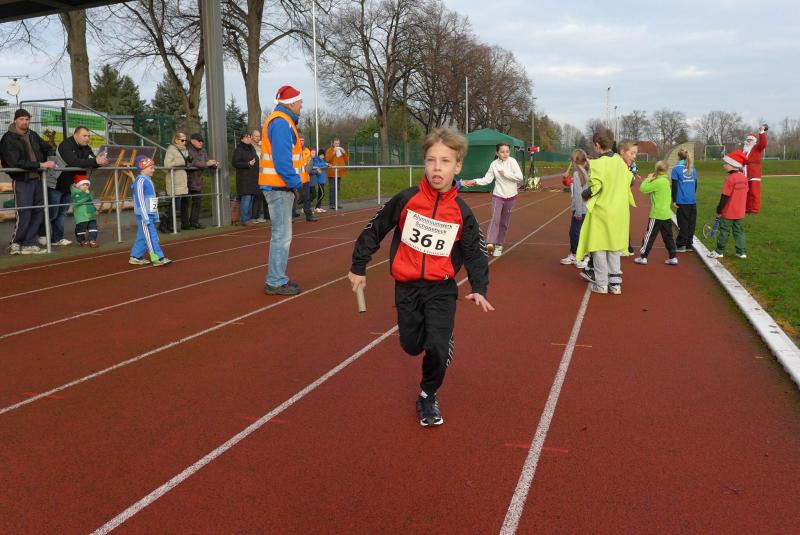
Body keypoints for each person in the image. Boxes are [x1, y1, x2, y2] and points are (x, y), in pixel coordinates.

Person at [347, 127, 493, 427]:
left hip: (441, 289)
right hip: (407, 286)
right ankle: (431, 343)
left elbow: (475, 252)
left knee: (437, 346)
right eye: (431, 160)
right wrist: (358, 266)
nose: (437, 168)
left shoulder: (462, 213)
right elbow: (375, 229)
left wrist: (479, 286)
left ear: (457, 166)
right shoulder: (406, 199)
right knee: (412, 345)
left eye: (445, 161)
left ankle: (428, 395)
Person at [575, 128, 636, 295]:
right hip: (619, 212)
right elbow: (631, 182)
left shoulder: (597, 164)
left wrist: (584, 194)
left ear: (597, 145)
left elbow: (596, 187)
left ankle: (601, 284)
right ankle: (615, 284)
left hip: (602, 211)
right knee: (614, 247)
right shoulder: (620, 162)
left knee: (599, 247)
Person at [259, 85, 308, 296]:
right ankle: (275, 281)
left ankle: (278, 277)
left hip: (279, 187)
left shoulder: (281, 121)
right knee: (281, 236)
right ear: (291, 103)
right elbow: (282, 161)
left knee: (281, 236)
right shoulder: (281, 123)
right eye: (300, 101)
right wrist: (296, 184)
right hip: (279, 188)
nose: (302, 104)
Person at [38, 125, 109, 248]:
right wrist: (95, 161)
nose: (87, 138)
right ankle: (42, 233)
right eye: (84, 136)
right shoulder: (65, 145)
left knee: (62, 213)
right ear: (75, 135)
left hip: (71, 186)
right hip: (56, 183)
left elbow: (92, 161)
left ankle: (57, 238)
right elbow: (73, 162)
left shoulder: (86, 147)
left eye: (88, 136)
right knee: (52, 212)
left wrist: (100, 162)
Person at [0, 108, 55, 255]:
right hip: (22, 180)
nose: (25, 122)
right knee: (24, 212)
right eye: (21, 119)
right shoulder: (8, 138)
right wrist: (41, 164)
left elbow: (47, 147)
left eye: (27, 119)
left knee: (38, 212)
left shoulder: (33, 135)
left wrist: (50, 155)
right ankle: (16, 243)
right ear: (15, 120)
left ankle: (29, 243)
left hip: (37, 179)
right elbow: (15, 162)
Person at [460, 142, 524, 257]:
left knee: (504, 223)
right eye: (502, 152)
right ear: (497, 153)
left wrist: (505, 174)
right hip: (498, 196)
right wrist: (475, 181)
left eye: (507, 151)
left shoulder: (513, 162)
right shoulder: (494, 164)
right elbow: (487, 179)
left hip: (511, 197)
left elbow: (519, 177)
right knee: (495, 219)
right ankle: (490, 244)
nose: (505, 154)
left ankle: (499, 245)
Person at [634, 160, 678, 266]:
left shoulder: (657, 182)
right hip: (666, 214)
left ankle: (643, 257)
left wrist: (648, 179)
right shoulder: (665, 181)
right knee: (668, 236)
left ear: (656, 169)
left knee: (649, 236)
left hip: (657, 214)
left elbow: (643, 189)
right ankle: (673, 257)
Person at [130, 156, 172, 266]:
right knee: (151, 236)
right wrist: (145, 217)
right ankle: (158, 258)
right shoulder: (140, 181)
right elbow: (140, 201)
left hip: (150, 214)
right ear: (143, 168)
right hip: (144, 216)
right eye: (151, 168)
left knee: (142, 236)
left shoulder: (148, 180)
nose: (153, 170)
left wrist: (156, 215)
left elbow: (153, 199)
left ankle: (135, 257)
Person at [708, 150, 749, 260]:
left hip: (728, 212)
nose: (724, 165)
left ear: (733, 165)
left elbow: (725, 196)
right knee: (739, 231)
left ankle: (719, 251)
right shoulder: (744, 178)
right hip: (740, 212)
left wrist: (719, 209)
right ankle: (741, 252)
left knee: (724, 231)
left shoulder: (730, 179)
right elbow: (746, 192)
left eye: (726, 163)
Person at [559, 149, 590, 268]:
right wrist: (565, 179)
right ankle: (576, 254)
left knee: (575, 233)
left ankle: (579, 255)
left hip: (580, 209)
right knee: (577, 232)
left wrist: (578, 211)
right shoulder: (584, 172)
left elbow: (578, 194)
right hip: (584, 208)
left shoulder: (578, 174)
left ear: (574, 161)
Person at [185, 132, 217, 229]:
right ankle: (185, 224)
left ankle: (194, 222)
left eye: (202, 141)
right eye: (199, 141)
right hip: (186, 180)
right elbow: (192, 162)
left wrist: (214, 164)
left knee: (197, 201)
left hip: (197, 181)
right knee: (184, 203)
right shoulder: (187, 149)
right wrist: (206, 164)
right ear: (192, 141)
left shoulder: (203, 150)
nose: (201, 143)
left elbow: (207, 160)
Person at [162, 132, 190, 232]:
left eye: (185, 140)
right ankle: (165, 224)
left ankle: (167, 225)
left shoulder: (185, 151)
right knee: (174, 204)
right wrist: (181, 162)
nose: (184, 142)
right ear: (176, 140)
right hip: (174, 180)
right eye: (182, 140)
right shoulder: (171, 150)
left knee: (175, 205)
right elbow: (167, 165)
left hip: (182, 179)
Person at [671, 148, 698, 252]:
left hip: (682, 200)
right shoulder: (693, 168)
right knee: (691, 223)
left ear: (678, 156)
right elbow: (695, 184)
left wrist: (674, 200)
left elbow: (674, 186)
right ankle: (689, 245)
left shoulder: (676, 169)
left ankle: (681, 245)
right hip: (692, 200)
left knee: (683, 223)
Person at [232, 131, 260, 226]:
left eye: (249, 137)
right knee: (246, 198)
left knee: (251, 198)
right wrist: (247, 164)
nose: (248, 138)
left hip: (253, 178)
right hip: (244, 179)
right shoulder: (239, 149)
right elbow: (235, 163)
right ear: (242, 139)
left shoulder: (252, 148)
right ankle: (245, 219)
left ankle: (249, 218)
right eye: (246, 137)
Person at [744, 125, 768, 214]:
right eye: (747, 140)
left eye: (750, 140)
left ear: (754, 141)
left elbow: (763, 143)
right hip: (745, 173)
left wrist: (762, 132)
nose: (748, 141)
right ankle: (747, 208)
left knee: (754, 192)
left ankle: (754, 209)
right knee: (747, 192)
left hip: (754, 173)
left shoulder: (757, 148)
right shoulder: (745, 150)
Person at [69, 173, 98, 247]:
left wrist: (95, 210)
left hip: (91, 215)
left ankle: (92, 240)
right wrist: (87, 194)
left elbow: (90, 202)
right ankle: (82, 241)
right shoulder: (75, 194)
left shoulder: (87, 193)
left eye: (87, 185)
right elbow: (79, 201)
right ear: (78, 186)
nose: (85, 186)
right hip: (81, 216)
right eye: (83, 185)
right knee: (81, 230)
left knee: (93, 228)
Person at [250, 128, 268, 222]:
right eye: (256, 136)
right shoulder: (250, 147)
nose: (258, 138)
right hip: (254, 174)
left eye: (259, 136)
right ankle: (254, 216)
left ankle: (262, 215)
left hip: (263, 173)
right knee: (256, 195)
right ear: (252, 137)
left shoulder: (261, 146)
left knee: (263, 195)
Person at [325, 137, 348, 210]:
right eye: (336, 143)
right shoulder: (329, 150)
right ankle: (331, 204)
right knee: (332, 188)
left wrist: (344, 153)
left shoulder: (341, 150)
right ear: (333, 143)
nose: (337, 145)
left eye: (338, 143)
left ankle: (337, 203)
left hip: (339, 172)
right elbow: (327, 159)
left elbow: (346, 160)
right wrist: (333, 153)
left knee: (337, 188)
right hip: (332, 172)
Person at [298, 134, 317, 222]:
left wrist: (307, 168)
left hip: (305, 178)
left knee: (307, 197)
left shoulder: (307, 151)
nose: (301, 142)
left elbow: (310, 162)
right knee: (293, 197)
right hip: (296, 178)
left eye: (302, 140)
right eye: (300, 140)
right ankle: (291, 216)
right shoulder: (293, 150)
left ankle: (309, 215)